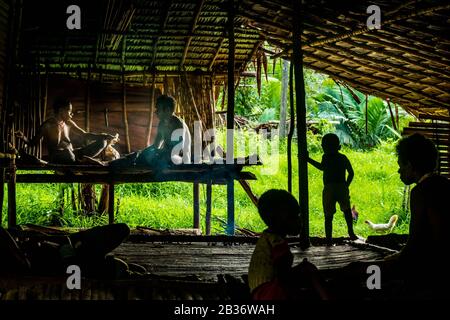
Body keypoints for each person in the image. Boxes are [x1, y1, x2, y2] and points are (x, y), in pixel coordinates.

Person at [248, 189, 331, 300]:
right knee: (309, 269)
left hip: (259, 293)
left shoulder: (266, 238)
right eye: (295, 216)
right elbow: (284, 279)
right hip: (272, 292)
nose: (300, 220)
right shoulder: (277, 242)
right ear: (282, 219)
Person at [0, 223, 145, 279]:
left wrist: (65, 248)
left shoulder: (74, 274)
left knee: (7, 233)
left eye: (109, 261)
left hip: (31, 260)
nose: (109, 258)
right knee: (122, 229)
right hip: (77, 253)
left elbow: (64, 251)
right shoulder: (84, 266)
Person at [15, 97, 117, 164]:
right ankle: (82, 161)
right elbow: (33, 143)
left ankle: (81, 160)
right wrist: (23, 137)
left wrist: (104, 136)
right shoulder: (47, 126)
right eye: (69, 111)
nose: (71, 114)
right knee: (68, 153)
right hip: (59, 158)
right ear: (61, 111)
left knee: (102, 143)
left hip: (73, 155)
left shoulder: (68, 123)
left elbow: (84, 134)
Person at [110, 94, 191, 169]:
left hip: (180, 159)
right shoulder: (162, 123)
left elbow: (178, 151)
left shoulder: (178, 125)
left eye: (158, 109)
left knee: (147, 159)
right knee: (139, 157)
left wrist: (156, 154)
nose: (156, 112)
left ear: (168, 110)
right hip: (167, 157)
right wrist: (140, 153)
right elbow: (156, 145)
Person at [307, 133, 357, 244]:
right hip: (341, 187)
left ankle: (329, 238)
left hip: (329, 188)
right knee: (347, 211)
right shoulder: (343, 157)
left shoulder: (326, 157)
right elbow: (351, 173)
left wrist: (308, 159)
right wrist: (346, 185)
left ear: (324, 147)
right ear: (338, 147)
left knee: (328, 215)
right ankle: (351, 232)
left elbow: (321, 167)